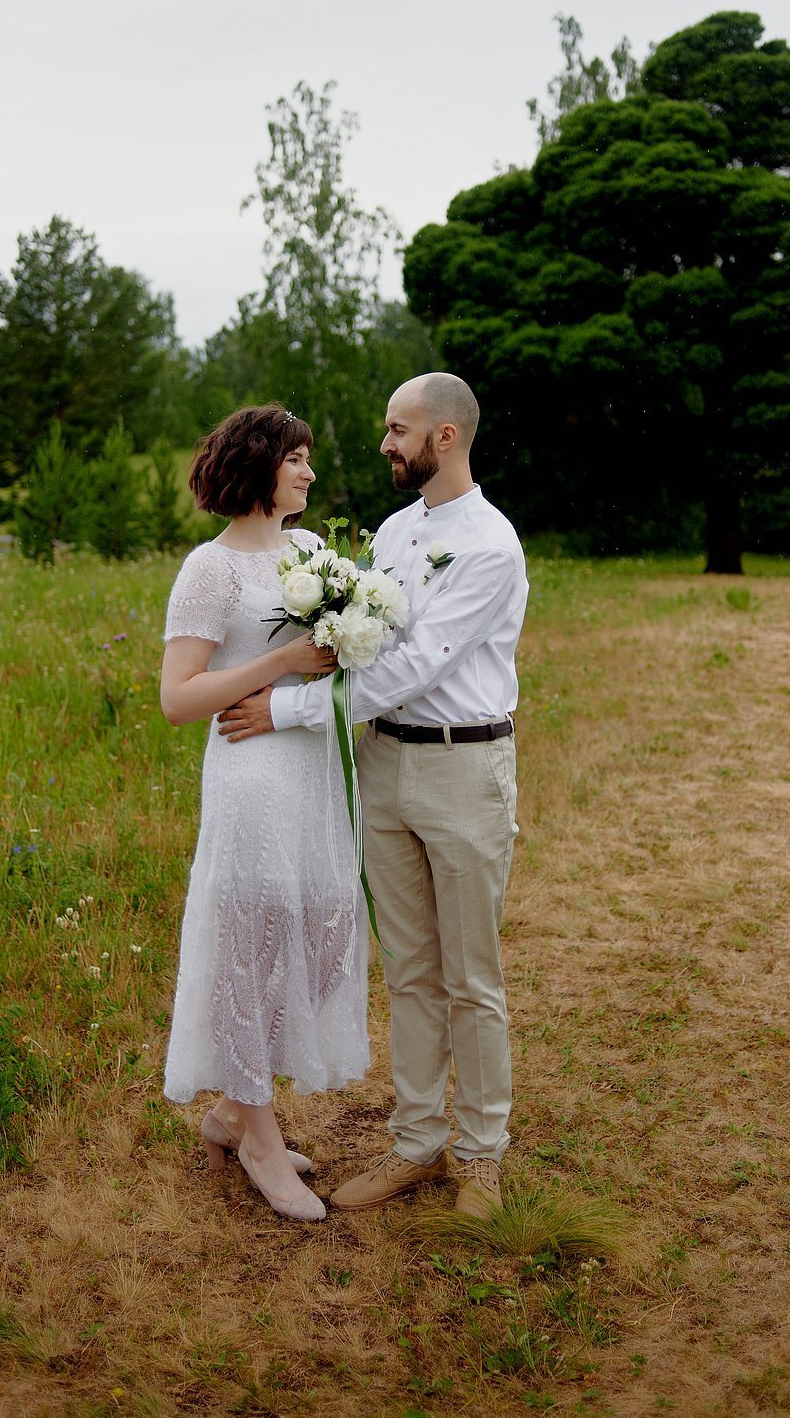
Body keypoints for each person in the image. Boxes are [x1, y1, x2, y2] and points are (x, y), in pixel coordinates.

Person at [216, 373, 528, 1218]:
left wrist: (285, 709)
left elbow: (413, 666)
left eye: (398, 429)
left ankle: (481, 1156)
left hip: (463, 767)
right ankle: (416, 1144)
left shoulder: (491, 546)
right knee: (412, 970)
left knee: (471, 974)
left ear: (445, 437)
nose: (386, 443)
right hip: (383, 765)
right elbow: (363, 649)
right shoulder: (394, 531)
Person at [160, 403, 370, 1224]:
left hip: (314, 769)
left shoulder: (313, 553)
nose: (310, 472)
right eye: (296, 459)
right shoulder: (209, 570)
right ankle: (261, 1141)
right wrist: (279, 660)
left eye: (309, 458)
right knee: (249, 949)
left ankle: (231, 1112)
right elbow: (179, 700)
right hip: (249, 774)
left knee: (324, 931)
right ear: (257, 465)